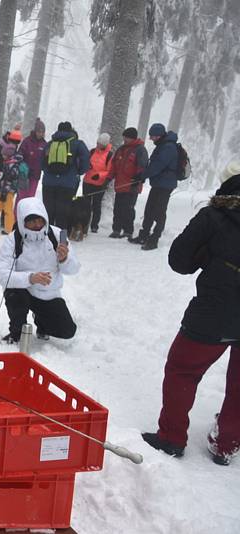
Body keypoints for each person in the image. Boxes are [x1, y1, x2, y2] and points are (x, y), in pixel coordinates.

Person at [141, 162, 240, 466]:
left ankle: (171, 437)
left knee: (182, 370)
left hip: (213, 312)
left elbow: (179, 261)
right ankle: (227, 444)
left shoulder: (213, 217)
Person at [0, 197, 79, 343]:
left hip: (49, 294)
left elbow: (74, 269)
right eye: (32, 221)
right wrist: (30, 278)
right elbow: (2, 274)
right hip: (24, 291)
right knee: (15, 295)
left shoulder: (57, 235)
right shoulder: (13, 239)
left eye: (40, 220)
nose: (37, 225)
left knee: (67, 331)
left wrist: (64, 259)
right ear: (22, 221)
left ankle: (42, 322)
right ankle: (16, 332)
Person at [129, 123, 179, 251]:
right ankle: (144, 235)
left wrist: (142, 176)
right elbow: (155, 166)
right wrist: (143, 176)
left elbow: (158, 166)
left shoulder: (168, 147)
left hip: (165, 185)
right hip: (158, 183)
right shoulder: (163, 145)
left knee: (159, 211)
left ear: (159, 135)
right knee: (149, 209)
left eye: (153, 136)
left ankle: (154, 238)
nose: (151, 139)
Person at [41, 121, 90, 229]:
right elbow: (86, 159)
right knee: (63, 213)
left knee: (49, 211)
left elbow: (41, 161)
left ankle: (47, 237)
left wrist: (47, 172)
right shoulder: (77, 143)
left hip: (49, 183)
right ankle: (61, 239)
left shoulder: (50, 144)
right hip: (67, 184)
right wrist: (79, 172)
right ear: (71, 130)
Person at [107, 127, 148, 238]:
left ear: (132, 138)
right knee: (118, 208)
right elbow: (114, 166)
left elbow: (143, 165)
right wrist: (109, 177)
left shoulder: (140, 149)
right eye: (124, 137)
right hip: (120, 185)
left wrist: (139, 177)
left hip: (132, 185)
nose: (124, 139)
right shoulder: (121, 149)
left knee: (128, 209)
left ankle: (128, 231)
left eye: (127, 137)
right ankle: (116, 229)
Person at [0, 143, 26, 234]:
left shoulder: (12, 165)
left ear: (8, 155)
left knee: (7, 209)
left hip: (8, 192)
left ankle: (9, 229)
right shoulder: (8, 163)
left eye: (3, 155)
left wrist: (5, 192)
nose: (2, 156)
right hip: (4, 190)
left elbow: (9, 180)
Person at [0, 129, 22, 229]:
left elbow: (10, 178)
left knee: (6, 207)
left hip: (7, 187)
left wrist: (4, 190)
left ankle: (7, 226)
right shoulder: (2, 149)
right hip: (0, 183)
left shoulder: (12, 160)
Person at [82, 132, 113, 234]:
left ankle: (94, 225)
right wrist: (87, 166)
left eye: (100, 143)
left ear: (105, 144)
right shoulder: (92, 152)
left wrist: (99, 175)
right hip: (87, 181)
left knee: (96, 205)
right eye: (97, 142)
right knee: (86, 204)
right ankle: (84, 223)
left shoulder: (109, 155)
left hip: (99, 184)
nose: (98, 145)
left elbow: (109, 171)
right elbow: (85, 162)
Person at [16, 118, 47, 204]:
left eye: (42, 132)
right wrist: (20, 159)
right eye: (39, 132)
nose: (41, 134)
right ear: (35, 131)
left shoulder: (45, 144)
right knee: (21, 198)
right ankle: (17, 216)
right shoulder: (27, 141)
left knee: (30, 198)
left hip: (35, 175)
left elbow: (45, 160)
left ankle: (27, 216)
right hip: (24, 174)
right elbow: (20, 152)